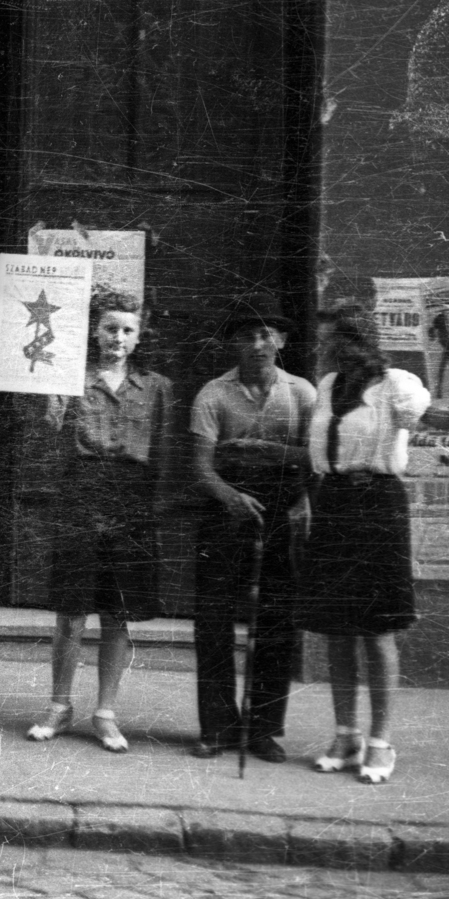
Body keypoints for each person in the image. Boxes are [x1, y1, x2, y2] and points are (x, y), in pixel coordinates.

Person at [24, 291, 174, 753]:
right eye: (110, 328)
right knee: (71, 611)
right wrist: (47, 404)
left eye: (128, 330)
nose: (118, 338)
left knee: (118, 613)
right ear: (94, 330)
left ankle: (106, 712)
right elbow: (45, 435)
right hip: (81, 491)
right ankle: (59, 705)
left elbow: (167, 451)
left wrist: (159, 507)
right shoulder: (68, 380)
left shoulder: (157, 387)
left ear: (139, 335)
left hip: (130, 496)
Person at [300, 306, 430, 785]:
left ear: (358, 342)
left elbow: (427, 418)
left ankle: (381, 741)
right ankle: (345, 733)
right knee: (336, 628)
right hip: (332, 505)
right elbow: (319, 455)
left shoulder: (397, 384)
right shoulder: (328, 387)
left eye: (332, 341)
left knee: (377, 630)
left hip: (378, 506)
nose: (325, 350)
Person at [189, 294, 315, 763]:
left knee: (275, 621)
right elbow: (201, 469)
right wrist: (232, 497)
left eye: (266, 335)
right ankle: (218, 727)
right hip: (226, 512)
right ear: (233, 344)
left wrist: (282, 470)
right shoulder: (213, 394)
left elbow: (315, 458)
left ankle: (262, 729)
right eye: (247, 336)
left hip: (282, 512)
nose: (258, 344)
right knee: (214, 622)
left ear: (280, 340)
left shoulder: (301, 393)